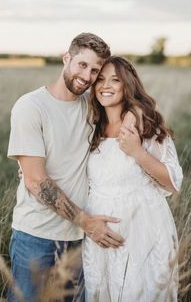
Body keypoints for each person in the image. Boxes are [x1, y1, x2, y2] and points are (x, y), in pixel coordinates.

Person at [7, 33, 125, 302]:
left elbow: (129, 105)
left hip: (80, 239)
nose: (87, 75)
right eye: (82, 65)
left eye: (95, 70)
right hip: (36, 236)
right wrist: (88, 223)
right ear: (66, 58)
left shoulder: (93, 107)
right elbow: (36, 181)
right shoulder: (31, 107)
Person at [82, 56, 183, 302]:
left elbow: (172, 182)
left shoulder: (145, 123)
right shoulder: (91, 125)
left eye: (115, 80)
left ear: (128, 85)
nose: (106, 85)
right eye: (101, 79)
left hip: (141, 232)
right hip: (99, 234)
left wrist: (137, 152)